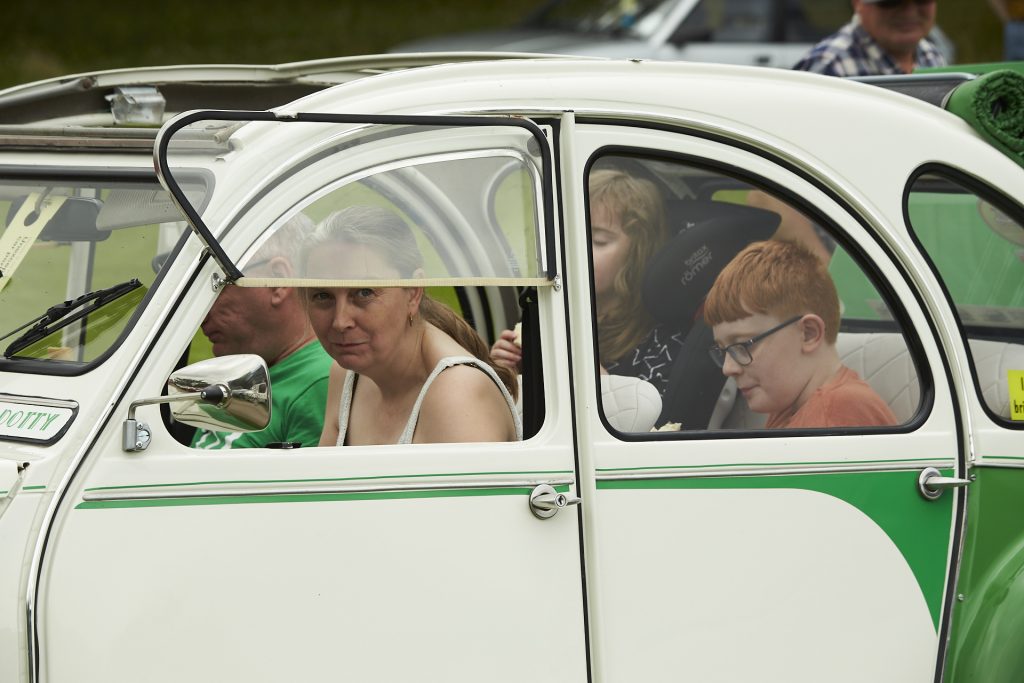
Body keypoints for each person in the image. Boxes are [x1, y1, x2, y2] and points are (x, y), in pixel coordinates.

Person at [303, 205, 521, 446]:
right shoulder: (346, 374)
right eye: (322, 296)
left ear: (413, 291)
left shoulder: (459, 395)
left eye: (364, 292)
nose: (340, 321)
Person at [491, 167, 684, 395]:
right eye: (569, 237)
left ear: (638, 253)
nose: (576, 251)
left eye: (598, 241)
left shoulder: (663, 343)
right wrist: (507, 373)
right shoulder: (552, 314)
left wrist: (578, 358)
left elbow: (652, 427)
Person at [703, 239, 897, 429]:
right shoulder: (790, 406)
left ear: (808, 333)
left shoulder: (835, 411)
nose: (728, 368)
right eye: (723, 350)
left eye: (744, 345)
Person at [192, 214, 334, 449]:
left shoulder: (321, 383)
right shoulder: (249, 370)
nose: (200, 314)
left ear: (277, 279)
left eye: (215, 284)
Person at [792, 0, 946, 77]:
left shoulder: (931, 55)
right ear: (857, 3)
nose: (909, 11)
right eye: (891, 2)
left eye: (922, 0)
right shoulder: (827, 67)